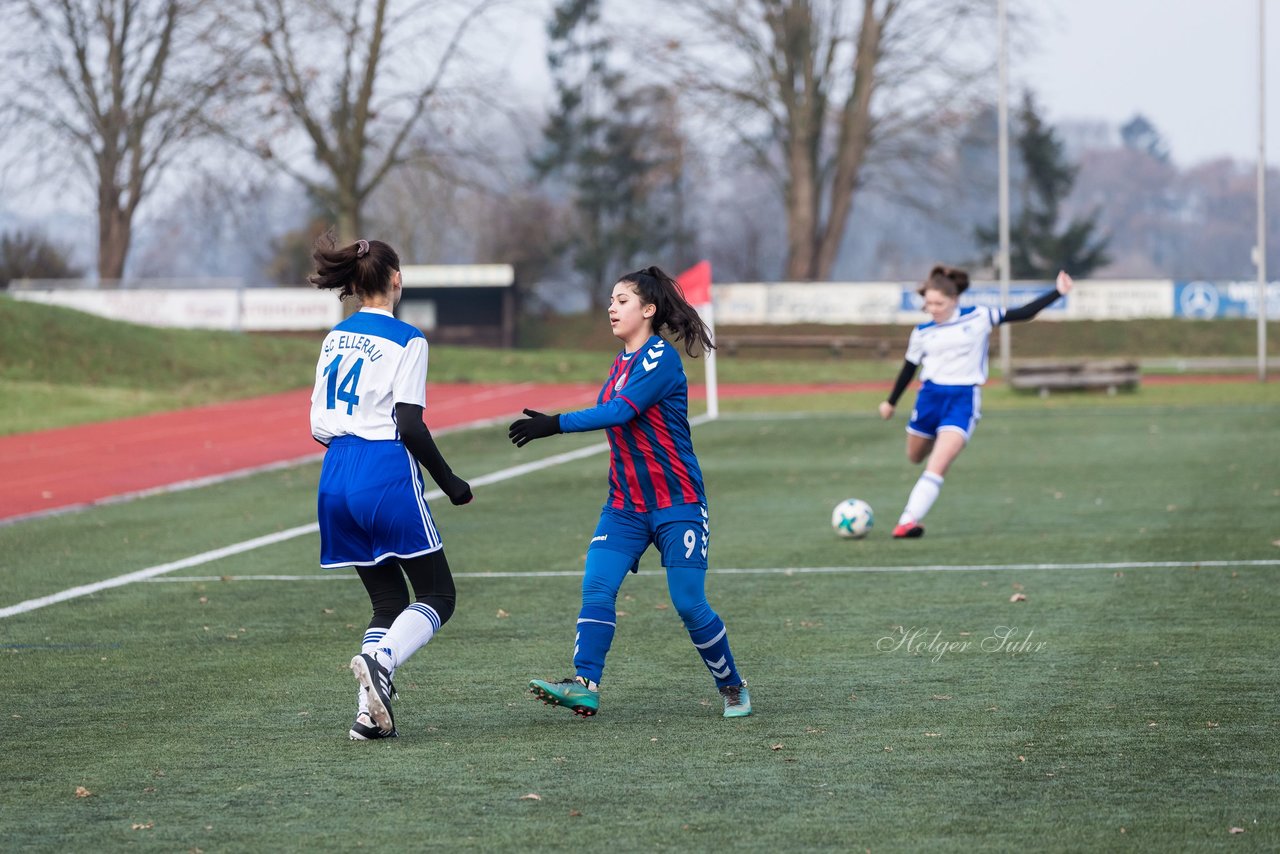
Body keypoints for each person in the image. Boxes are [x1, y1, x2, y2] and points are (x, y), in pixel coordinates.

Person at [507, 266, 751, 719]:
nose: (611, 307)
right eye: (611, 300)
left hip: (677, 503)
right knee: (596, 588)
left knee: (688, 602)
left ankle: (732, 686)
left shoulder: (660, 359)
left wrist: (553, 424)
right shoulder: (620, 363)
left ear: (648, 309)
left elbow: (618, 413)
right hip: (624, 505)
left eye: (621, 300)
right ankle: (585, 684)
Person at [308, 235, 474, 740]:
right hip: (383, 469)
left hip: (335, 472)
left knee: (386, 603)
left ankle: (368, 714)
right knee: (437, 594)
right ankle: (380, 660)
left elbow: (318, 424)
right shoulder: (408, 339)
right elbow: (410, 423)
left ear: (355, 286)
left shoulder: (334, 336)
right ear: (396, 279)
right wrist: (450, 482)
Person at [878, 265, 1074, 538]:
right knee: (914, 456)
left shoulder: (979, 316)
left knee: (938, 464)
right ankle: (935, 437)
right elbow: (909, 368)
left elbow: (1023, 313)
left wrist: (1057, 292)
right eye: (929, 303)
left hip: (962, 400)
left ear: (955, 300)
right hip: (929, 398)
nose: (933, 308)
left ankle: (907, 521)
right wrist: (891, 402)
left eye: (939, 303)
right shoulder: (921, 332)